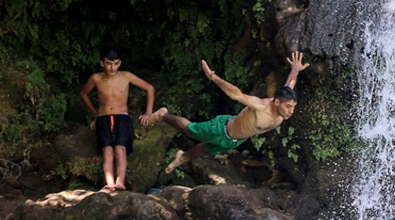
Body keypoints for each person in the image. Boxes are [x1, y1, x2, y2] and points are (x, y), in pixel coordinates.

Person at [148, 51, 309, 174]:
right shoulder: (260, 106)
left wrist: (295, 68)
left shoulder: (283, 101)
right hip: (221, 129)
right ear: (277, 102)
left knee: (206, 149)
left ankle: (183, 156)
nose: (291, 111)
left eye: (293, 107)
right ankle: (163, 115)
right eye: (289, 107)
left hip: (235, 139)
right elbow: (237, 94)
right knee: (189, 130)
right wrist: (214, 78)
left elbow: (290, 83)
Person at [79, 47, 156, 192]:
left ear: (120, 63)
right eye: (108, 63)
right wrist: (95, 114)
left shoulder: (126, 76)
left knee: (120, 149)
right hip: (103, 118)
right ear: (102, 63)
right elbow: (84, 94)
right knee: (107, 150)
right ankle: (110, 183)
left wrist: (148, 113)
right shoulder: (96, 78)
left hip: (122, 118)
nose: (112, 67)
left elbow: (149, 88)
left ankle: (120, 182)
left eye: (115, 63)